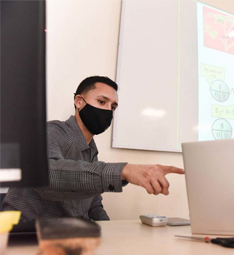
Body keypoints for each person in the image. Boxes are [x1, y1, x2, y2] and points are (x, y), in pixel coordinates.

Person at [2, 76, 184, 221]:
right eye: (102, 102)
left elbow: (94, 206)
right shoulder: (52, 131)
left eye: (113, 107)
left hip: (68, 240)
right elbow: (47, 175)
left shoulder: (91, 152)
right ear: (79, 102)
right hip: (23, 238)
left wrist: (111, 234)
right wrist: (123, 170)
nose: (108, 111)